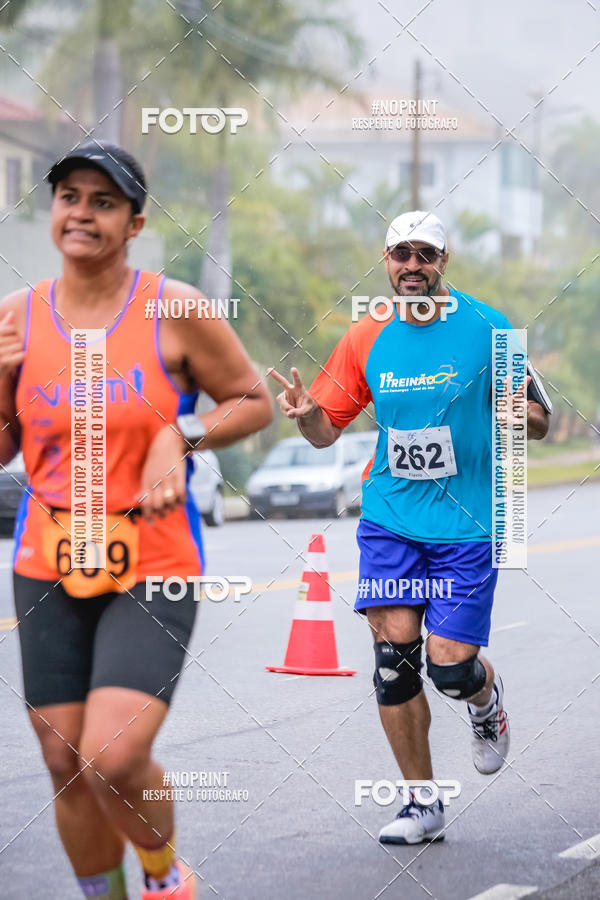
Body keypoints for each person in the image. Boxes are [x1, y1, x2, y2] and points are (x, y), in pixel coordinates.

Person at [0, 142, 273, 899]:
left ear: (135, 223)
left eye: (104, 202)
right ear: (52, 210)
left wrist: (177, 433)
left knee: (110, 756)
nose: (82, 213)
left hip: (152, 557)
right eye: (69, 197)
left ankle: (162, 877)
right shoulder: (16, 319)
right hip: (48, 558)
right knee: (62, 760)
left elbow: (255, 400)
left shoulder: (174, 307)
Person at [270, 210, 550, 845]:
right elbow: (323, 435)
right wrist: (308, 414)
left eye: (426, 253)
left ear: (443, 261)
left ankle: (485, 702)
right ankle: (422, 804)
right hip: (391, 519)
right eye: (402, 254)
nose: (412, 265)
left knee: (450, 668)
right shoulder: (366, 336)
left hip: (468, 522)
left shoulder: (488, 328)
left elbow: (539, 420)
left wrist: (513, 409)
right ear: (387, 261)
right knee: (394, 665)